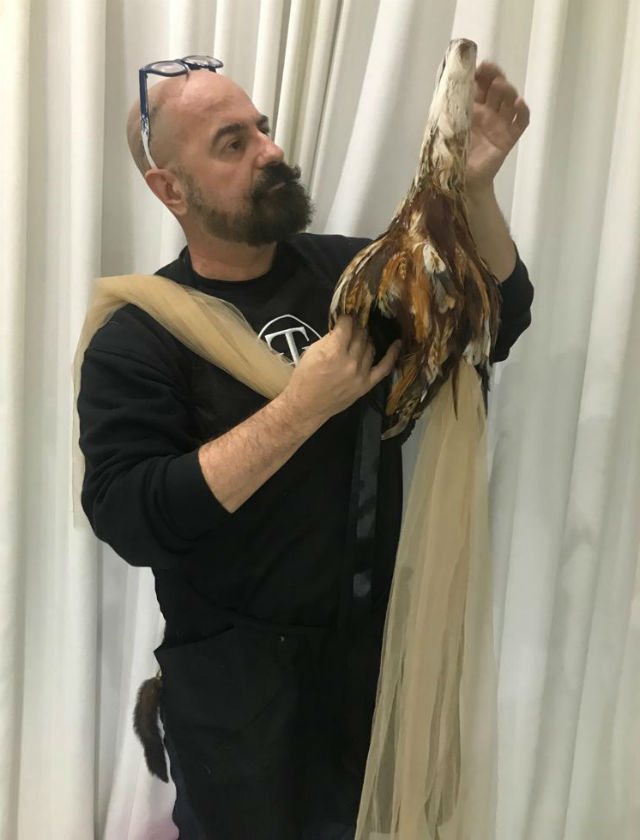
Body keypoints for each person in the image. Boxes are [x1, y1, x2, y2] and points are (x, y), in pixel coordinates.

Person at [76, 57, 534, 840]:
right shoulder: (140, 334)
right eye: (233, 143)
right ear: (170, 189)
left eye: (262, 128)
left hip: (368, 669)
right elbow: (132, 517)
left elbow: (496, 317)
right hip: (234, 698)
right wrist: (299, 408)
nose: (270, 150)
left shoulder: (347, 275)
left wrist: (476, 192)